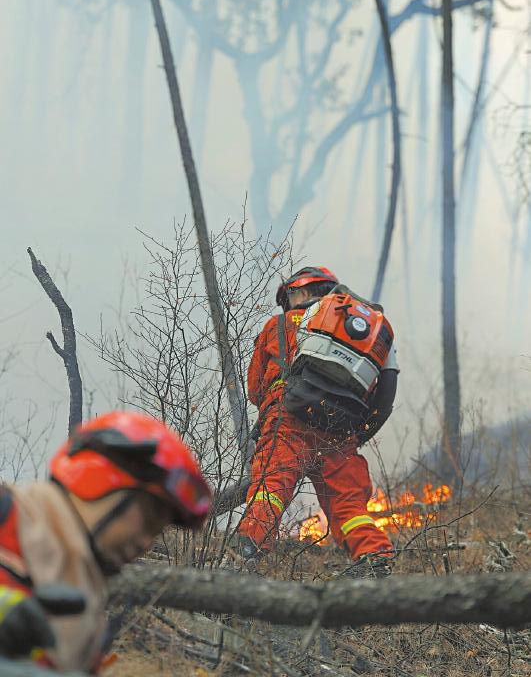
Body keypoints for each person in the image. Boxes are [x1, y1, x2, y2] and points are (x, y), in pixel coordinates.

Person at [0, 411, 211, 672]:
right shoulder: (6, 516)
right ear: (99, 480)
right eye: (147, 518)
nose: (147, 542)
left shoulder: (87, 610)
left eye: (157, 531)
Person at [237, 266, 399, 576]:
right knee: (349, 504)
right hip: (341, 429)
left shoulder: (280, 324)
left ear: (304, 291)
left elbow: (256, 389)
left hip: (289, 419)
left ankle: (245, 555)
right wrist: (355, 433)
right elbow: (383, 398)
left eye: (291, 295)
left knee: (271, 488)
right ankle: (374, 559)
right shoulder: (364, 333)